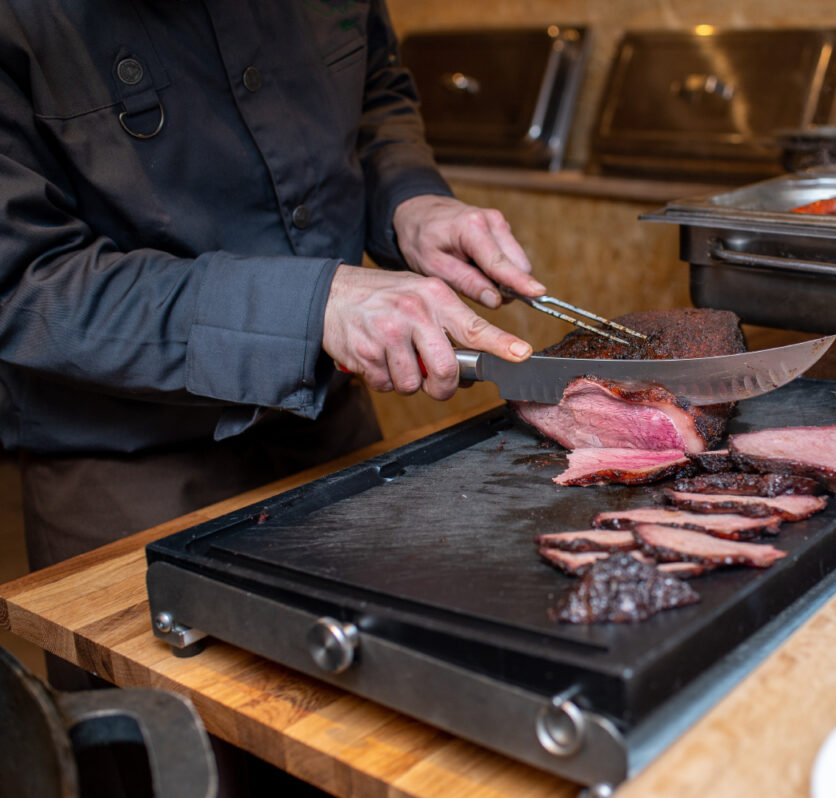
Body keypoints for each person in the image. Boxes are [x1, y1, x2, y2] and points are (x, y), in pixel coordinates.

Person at [0, 0, 544, 578]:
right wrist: (310, 308)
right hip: (130, 474)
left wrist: (409, 197)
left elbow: (376, 94)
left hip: (332, 430)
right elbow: (21, 284)